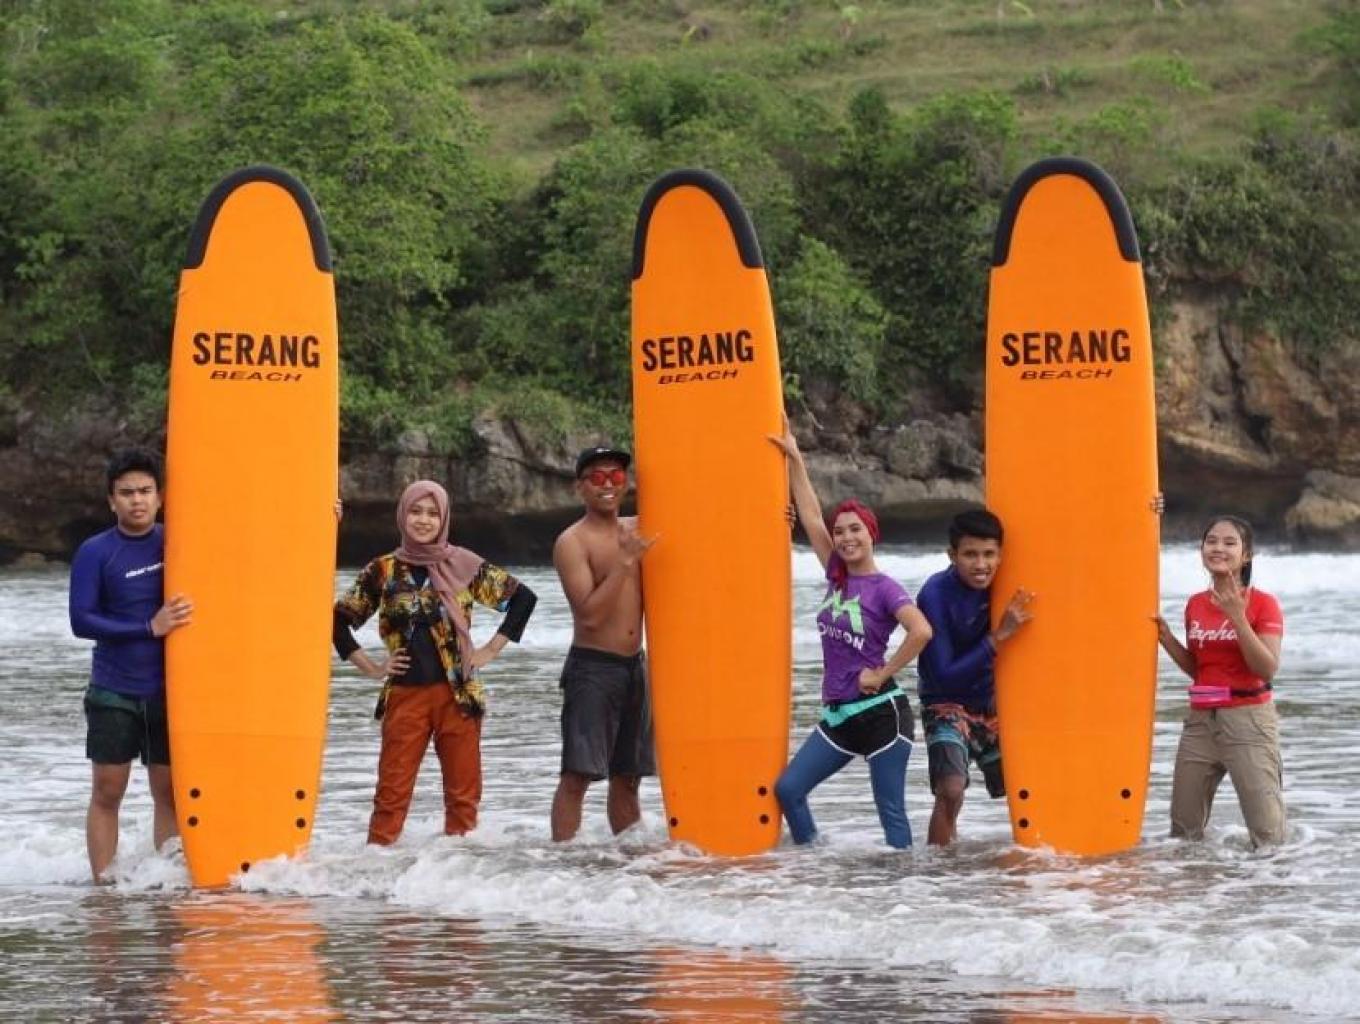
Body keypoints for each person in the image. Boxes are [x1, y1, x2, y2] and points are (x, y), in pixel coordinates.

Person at [333, 480, 537, 845]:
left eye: (433, 513)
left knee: (463, 801)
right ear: (402, 515)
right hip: (405, 696)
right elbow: (337, 621)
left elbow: (523, 599)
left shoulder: (465, 565)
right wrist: (373, 667)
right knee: (390, 799)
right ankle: (377, 872)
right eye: (416, 511)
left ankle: (455, 875)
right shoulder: (383, 570)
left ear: (444, 519)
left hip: (459, 696)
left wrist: (490, 650)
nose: (424, 520)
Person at [768, 421, 933, 848]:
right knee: (789, 790)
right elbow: (810, 515)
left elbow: (921, 631)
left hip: (882, 714)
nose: (845, 537)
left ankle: (903, 884)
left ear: (871, 534)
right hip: (840, 716)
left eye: (855, 529)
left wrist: (882, 673)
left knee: (890, 813)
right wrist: (795, 457)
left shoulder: (885, 588)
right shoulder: (836, 575)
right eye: (839, 531)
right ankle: (814, 862)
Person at [69, 448, 193, 882]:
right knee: (108, 791)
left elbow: (253, 541)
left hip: (170, 691)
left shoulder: (180, 541)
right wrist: (149, 627)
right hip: (114, 690)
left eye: (144, 491)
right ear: (111, 500)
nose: (136, 500)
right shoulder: (95, 552)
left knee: (170, 793)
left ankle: (166, 882)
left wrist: (324, 515)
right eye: (126, 493)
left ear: (160, 497)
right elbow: (81, 620)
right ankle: (103, 887)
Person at [1155, 514, 1286, 847]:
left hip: (1248, 723)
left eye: (1229, 543)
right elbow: (1202, 670)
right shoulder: (1195, 604)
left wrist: (1238, 618)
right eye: (1211, 541)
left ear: (1246, 554)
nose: (1218, 548)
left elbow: (1267, 668)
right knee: (1183, 835)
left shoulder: (1263, 603)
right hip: (1200, 723)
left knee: (1268, 837)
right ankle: (1201, 882)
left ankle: (1272, 882)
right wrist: (1167, 639)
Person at [550, 446, 657, 841]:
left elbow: (706, 520)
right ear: (580, 487)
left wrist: (780, 517)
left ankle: (628, 860)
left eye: (616, 476)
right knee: (577, 775)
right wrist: (625, 562)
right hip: (593, 669)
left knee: (628, 776)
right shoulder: (572, 542)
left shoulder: (639, 529)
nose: (608, 484)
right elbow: (590, 617)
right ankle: (561, 860)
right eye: (597, 477)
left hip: (635, 667)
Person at [915, 509, 1034, 846]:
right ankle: (941, 865)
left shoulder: (1009, 583)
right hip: (945, 703)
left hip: (994, 703)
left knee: (1029, 786)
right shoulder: (935, 594)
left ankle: (1041, 861)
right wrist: (999, 637)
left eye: (989, 554)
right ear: (952, 555)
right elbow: (945, 676)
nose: (981, 565)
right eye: (970, 554)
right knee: (951, 789)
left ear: (1001, 554)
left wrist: (1147, 509)